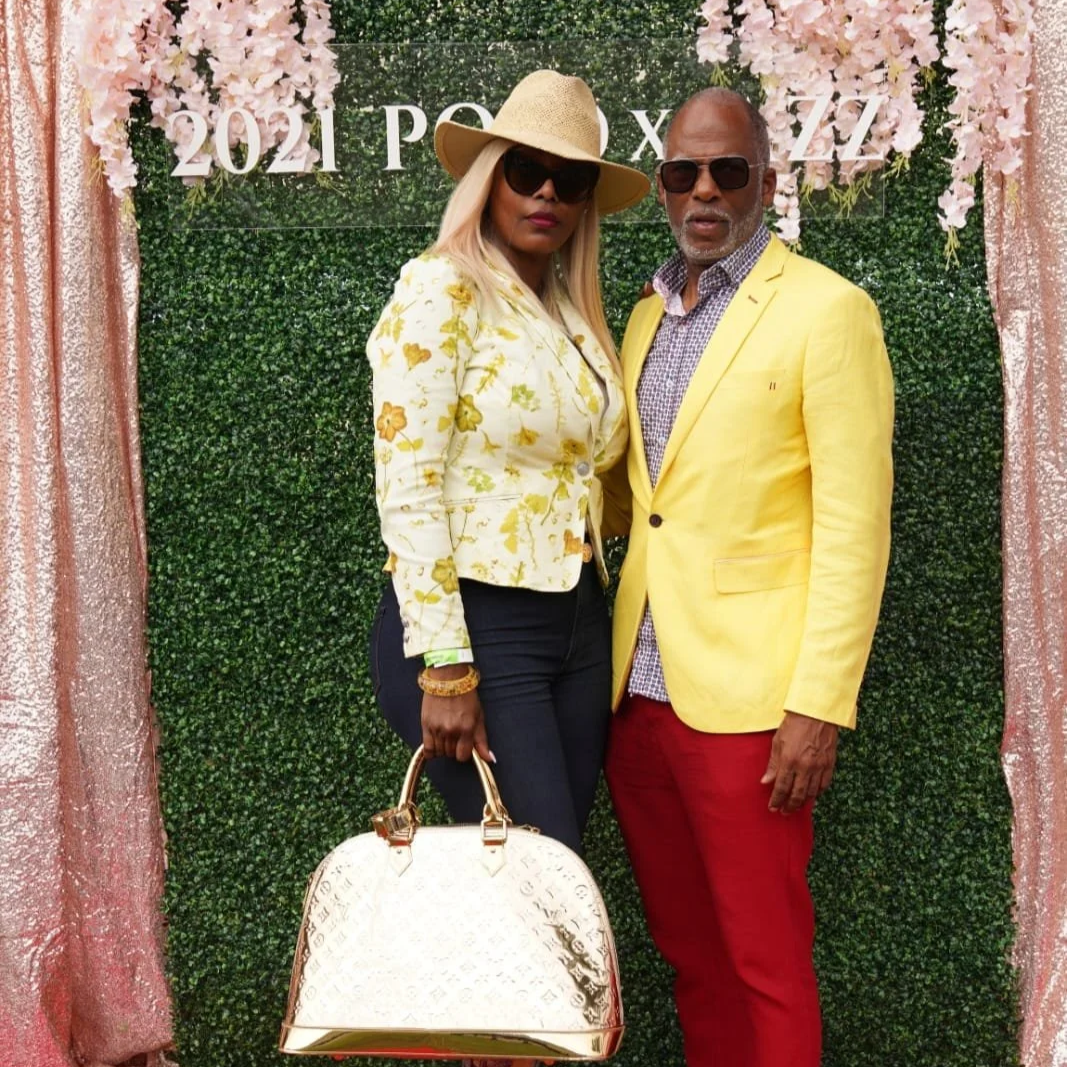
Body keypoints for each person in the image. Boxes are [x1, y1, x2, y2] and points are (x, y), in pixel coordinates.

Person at [601, 87, 894, 1067]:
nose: (702, 191)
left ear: (765, 181)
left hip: (754, 711)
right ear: (661, 187)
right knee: (690, 956)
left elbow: (854, 527)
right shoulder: (643, 316)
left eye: (726, 171)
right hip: (636, 696)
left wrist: (818, 702)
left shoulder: (827, 309)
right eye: (682, 172)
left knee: (764, 960)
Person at [366, 69, 649, 864]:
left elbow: (594, 475)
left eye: (572, 180)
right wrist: (447, 666)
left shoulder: (573, 314)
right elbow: (409, 480)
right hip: (479, 627)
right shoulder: (440, 289)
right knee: (535, 867)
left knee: (546, 870)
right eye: (527, 172)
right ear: (490, 180)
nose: (547, 193)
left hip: (577, 622)